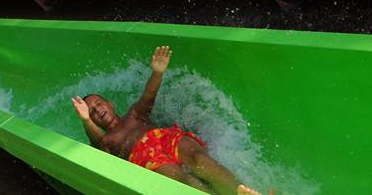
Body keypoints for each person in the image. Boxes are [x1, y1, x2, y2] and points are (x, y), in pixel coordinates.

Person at [71, 46, 262, 195]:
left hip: (166, 138)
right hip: (145, 158)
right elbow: (96, 141)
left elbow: (149, 94)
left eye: (98, 103)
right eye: (92, 111)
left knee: (201, 160)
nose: (97, 110)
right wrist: (86, 120)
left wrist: (158, 72)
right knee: (184, 181)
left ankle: (239, 191)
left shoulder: (134, 115)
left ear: (110, 104)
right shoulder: (108, 141)